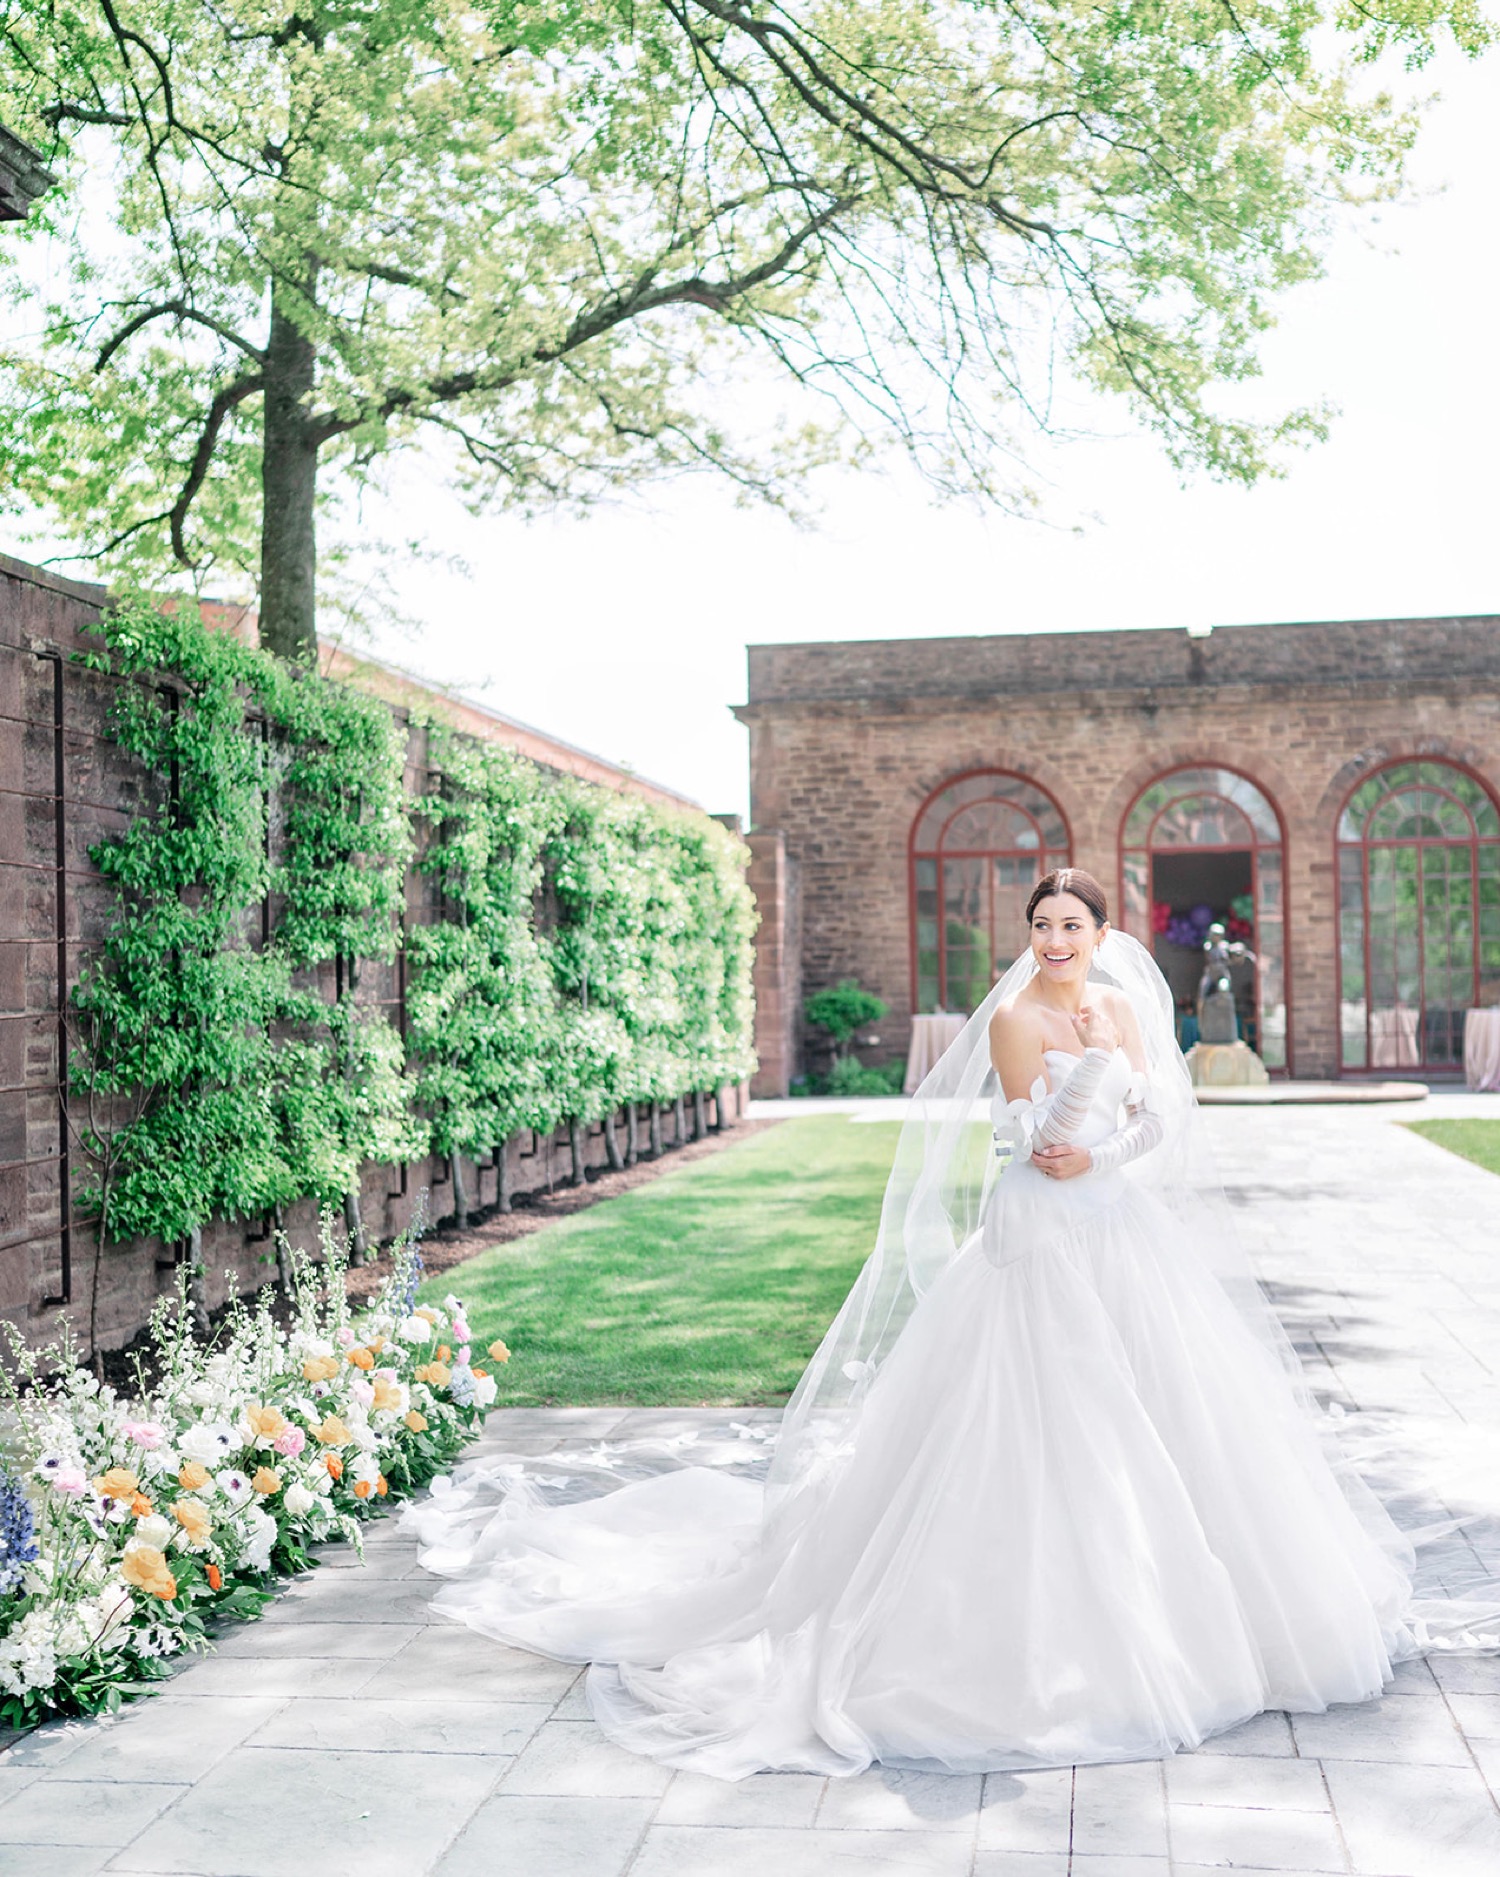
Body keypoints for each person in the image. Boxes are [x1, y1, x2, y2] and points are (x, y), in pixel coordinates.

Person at [406, 867, 1497, 1780]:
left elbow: (1158, 1112)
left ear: (1103, 934)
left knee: (1174, 1409)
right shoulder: (1021, 1016)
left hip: (1117, 1223)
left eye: (1073, 926)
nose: (1057, 941)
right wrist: (1074, 1133)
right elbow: (1030, 1138)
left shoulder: (1121, 1008)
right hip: (1042, 1229)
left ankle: (1217, 1612)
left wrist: (1112, 1144)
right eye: (1042, 926)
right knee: (1041, 1414)